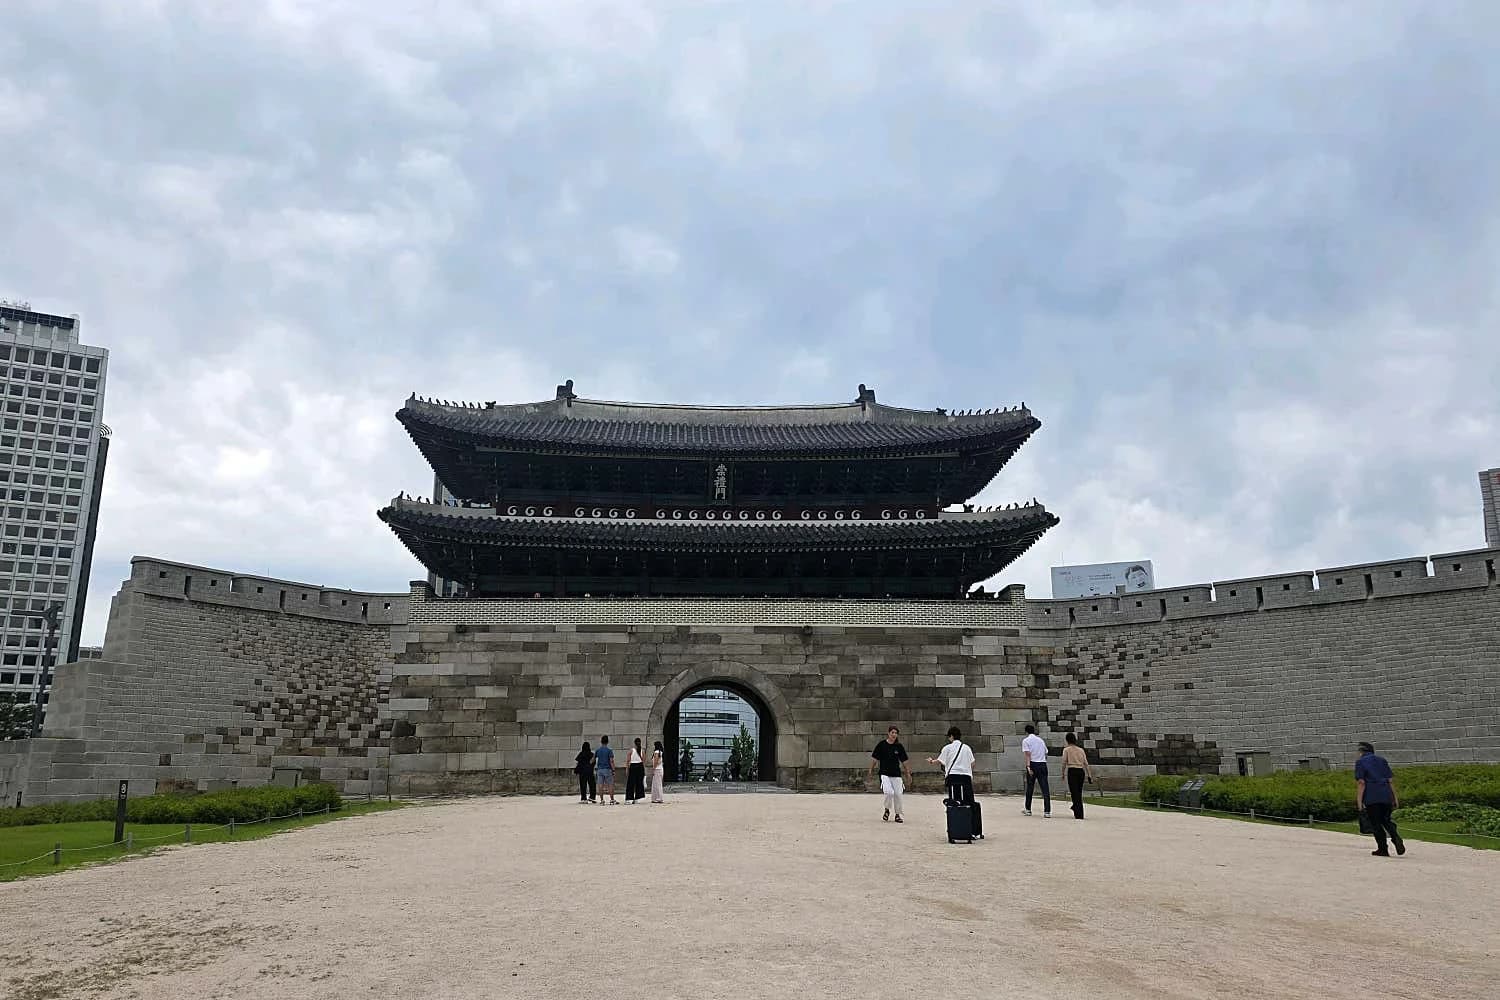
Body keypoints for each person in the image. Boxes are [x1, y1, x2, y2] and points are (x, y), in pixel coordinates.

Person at [1356, 741, 1405, 857]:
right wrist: (1395, 797)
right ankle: (1396, 837)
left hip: (1372, 796)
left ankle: (1383, 849)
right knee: (1386, 820)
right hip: (1386, 795)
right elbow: (1390, 780)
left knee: (1376, 823)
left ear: (1362, 751)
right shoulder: (1382, 760)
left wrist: (1359, 801)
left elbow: (1361, 782)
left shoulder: (1360, 762)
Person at [867, 725, 913, 823]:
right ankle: (887, 809)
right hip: (884, 774)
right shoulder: (882, 745)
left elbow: (905, 761)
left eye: (896, 733)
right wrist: (870, 770)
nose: (894, 735)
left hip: (896, 774)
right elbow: (874, 759)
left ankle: (897, 815)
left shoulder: (899, 747)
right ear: (888, 733)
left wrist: (908, 773)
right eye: (892, 732)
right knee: (889, 792)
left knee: (898, 794)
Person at [926, 726, 975, 806]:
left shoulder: (947, 748)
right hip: (966, 777)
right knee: (967, 801)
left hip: (953, 777)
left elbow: (940, 761)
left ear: (951, 736)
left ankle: (955, 812)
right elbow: (972, 763)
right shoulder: (967, 748)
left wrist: (931, 761)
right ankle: (967, 813)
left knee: (955, 800)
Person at [1061, 732, 1093, 819]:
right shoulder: (1081, 750)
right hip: (1080, 771)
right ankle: (1079, 811)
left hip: (1072, 771)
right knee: (1078, 792)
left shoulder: (1066, 750)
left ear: (1067, 740)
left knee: (1074, 792)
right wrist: (1089, 775)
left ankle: (1077, 810)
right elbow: (1086, 763)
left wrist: (1062, 773)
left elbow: (1064, 762)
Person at [1022, 724, 1051, 817]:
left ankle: (1028, 809)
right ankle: (1047, 811)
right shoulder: (1041, 740)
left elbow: (1028, 754)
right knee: (1045, 788)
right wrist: (1043, 761)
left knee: (1030, 787)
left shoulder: (1026, 741)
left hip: (1033, 764)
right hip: (1042, 764)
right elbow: (1046, 752)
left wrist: (1028, 767)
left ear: (1026, 732)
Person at [595, 735, 617, 805]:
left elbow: (593, 759)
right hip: (607, 769)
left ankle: (602, 800)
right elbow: (611, 761)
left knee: (600, 785)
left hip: (599, 770)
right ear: (607, 741)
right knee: (610, 785)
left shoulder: (598, 750)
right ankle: (612, 799)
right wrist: (613, 770)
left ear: (601, 741)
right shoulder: (609, 751)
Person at [625, 737, 647, 803]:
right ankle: (638, 798)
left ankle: (629, 798)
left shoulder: (631, 750)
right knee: (639, 783)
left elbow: (628, 761)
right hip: (640, 767)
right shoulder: (642, 751)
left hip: (633, 766)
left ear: (634, 743)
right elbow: (644, 761)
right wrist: (644, 770)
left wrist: (627, 769)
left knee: (630, 783)